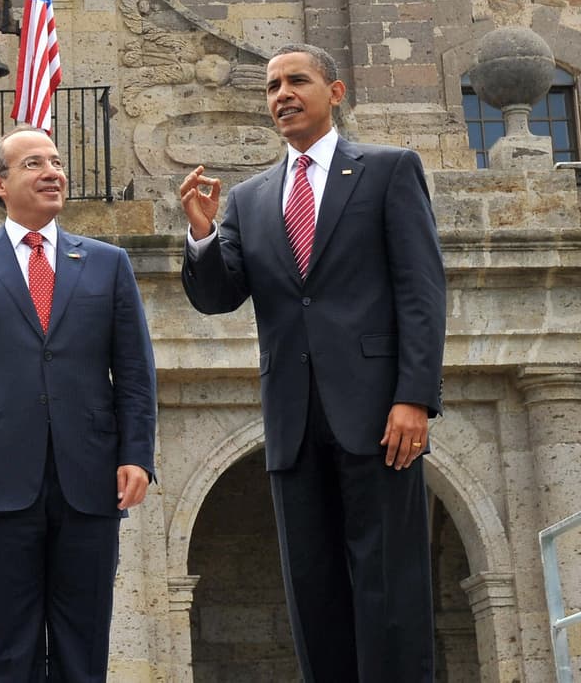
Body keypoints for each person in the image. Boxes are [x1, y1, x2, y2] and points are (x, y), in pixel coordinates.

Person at [179, 43, 445, 683]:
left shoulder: (388, 170)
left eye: (297, 81)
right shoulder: (248, 199)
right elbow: (218, 298)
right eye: (272, 87)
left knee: (390, 588)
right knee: (312, 590)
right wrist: (202, 235)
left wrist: (414, 396)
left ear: (337, 91)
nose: (282, 95)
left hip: (381, 415)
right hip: (293, 422)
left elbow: (421, 290)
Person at [0, 126, 157, 683]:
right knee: (11, 644)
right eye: (34, 163)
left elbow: (135, 372)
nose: (53, 171)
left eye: (55, 161)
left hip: (91, 476)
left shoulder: (107, 263)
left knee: (84, 641)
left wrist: (137, 454)